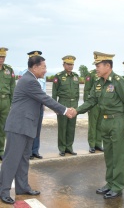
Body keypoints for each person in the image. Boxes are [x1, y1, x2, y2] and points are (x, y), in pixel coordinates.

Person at [0, 53, 73, 205]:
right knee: (11, 160)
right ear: (34, 67)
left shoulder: (31, 79)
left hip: (26, 126)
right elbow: (45, 98)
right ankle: (3, 191)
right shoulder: (29, 81)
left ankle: (22, 187)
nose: (46, 70)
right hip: (18, 127)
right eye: (44, 67)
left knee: (24, 158)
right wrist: (65, 110)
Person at [70, 51, 124, 199]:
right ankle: (110, 183)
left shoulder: (118, 81)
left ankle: (118, 186)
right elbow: (91, 100)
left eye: (98, 65)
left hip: (118, 122)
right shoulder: (99, 83)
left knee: (119, 156)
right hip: (105, 122)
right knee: (109, 155)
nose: (96, 68)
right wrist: (76, 111)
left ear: (107, 66)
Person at [19, 51, 46, 160]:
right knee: (28, 129)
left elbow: (43, 90)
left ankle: (35, 150)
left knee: (37, 129)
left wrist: (44, 103)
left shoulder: (41, 74)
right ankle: (28, 152)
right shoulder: (24, 73)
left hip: (39, 104)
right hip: (29, 105)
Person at [52, 55, 79, 156]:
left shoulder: (76, 76)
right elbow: (54, 93)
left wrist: (77, 106)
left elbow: (77, 93)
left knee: (71, 127)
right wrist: (55, 106)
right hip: (63, 103)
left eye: (71, 64)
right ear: (63, 65)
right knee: (62, 127)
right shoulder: (58, 76)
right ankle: (62, 148)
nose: (70, 66)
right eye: (68, 64)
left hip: (73, 104)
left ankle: (69, 147)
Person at [0, 47, 15, 161]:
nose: (1, 59)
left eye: (3, 57)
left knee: (3, 127)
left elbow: (12, 87)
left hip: (5, 101)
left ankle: (1, 151)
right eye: (0, 57)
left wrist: (13, 104)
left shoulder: (9, 70)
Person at [84, 69, 103, 153]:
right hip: (94, 104)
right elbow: (87, 90)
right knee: (92, 125)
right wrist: (87, 105)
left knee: (101, 125)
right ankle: (92, 145)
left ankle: (98, 144)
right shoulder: (91, 74)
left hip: (103, 103)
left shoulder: (105, 73)